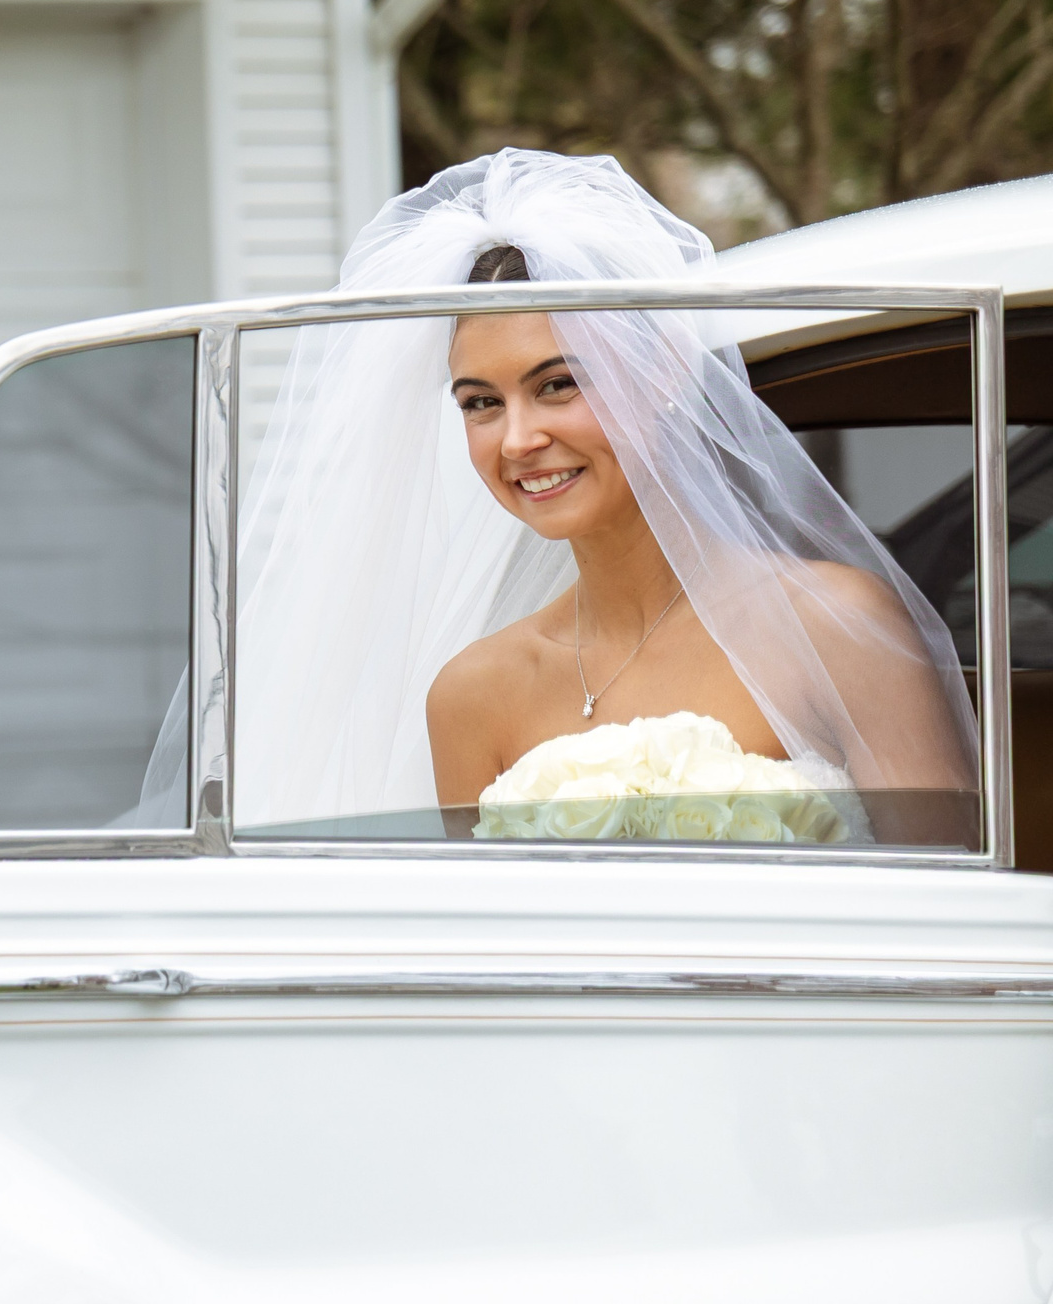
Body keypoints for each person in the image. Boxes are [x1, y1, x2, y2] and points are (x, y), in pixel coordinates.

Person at [228, 149, 977, 834]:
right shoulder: (470, 694)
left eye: (558, 384)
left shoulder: (831, 626)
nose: (517, 439)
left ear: (664, 377)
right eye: (480, 402)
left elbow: (950, 927)